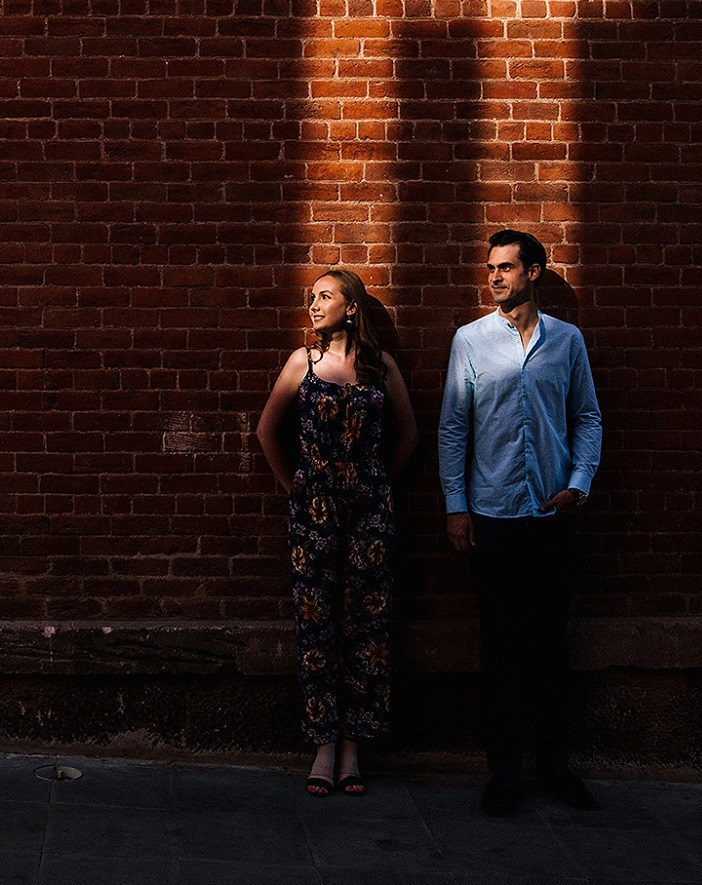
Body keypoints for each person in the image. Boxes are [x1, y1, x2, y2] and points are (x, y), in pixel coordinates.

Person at [438, 229, 604, 815]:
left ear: (534, 272)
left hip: (551, 519)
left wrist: (579, 484)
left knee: (550, 649)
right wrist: (456, 506)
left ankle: (555, 768)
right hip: (494, 518)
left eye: (506, 268)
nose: (495, 278)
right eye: (491, 269)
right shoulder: (470, 341)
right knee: (500, 649)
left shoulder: (568, 342)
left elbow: (587, 416)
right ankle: (504, 773)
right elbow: (454, 427)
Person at [255, 268, 419, 797]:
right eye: (311, 297)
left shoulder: (380, 366)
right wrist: (294, 487)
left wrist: (376, 486)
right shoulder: (301, 363)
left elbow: (409, 434)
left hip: (370, 514)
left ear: (351, 307)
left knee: (368, 627)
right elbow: (266, 430)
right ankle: (323, 743)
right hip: (314, 514)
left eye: (325, 296)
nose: (313, 304)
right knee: (317, 625)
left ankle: (354, 743)